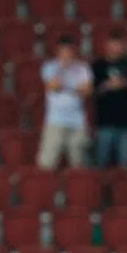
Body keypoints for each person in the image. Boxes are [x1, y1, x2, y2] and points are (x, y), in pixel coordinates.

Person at [38, 35, 92, 169]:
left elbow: (87, 91)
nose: (67, 53)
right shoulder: (50, 66)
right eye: (64, 50)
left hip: (77, 121)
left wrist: (67, 86)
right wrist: (64, 71)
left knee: (78, 163)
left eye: (70, 50)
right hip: (55, 120)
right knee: (47, 163)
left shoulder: (82, 68)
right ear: (58, 51)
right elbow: (53, 86)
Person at [91, 31, 127, 168]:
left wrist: (125, 83)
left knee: (126, 164)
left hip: (126, 123)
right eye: (113, 45)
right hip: (104, 122)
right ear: (107, 46)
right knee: (102, 163)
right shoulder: (98, 65)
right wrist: (107, 86)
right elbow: (91, 92)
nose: (116, 48)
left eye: (119, 45)